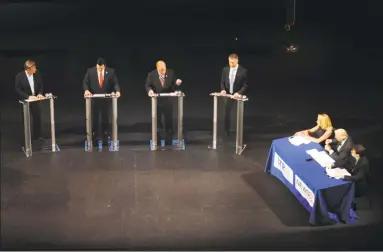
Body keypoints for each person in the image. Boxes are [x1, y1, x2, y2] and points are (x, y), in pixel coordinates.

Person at [83, 58, 120, 142]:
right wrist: (86, 90)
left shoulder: (111, 72)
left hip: (105, 98)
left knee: (105, 117)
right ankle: (94, 134)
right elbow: (85, 82)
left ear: (104, 66)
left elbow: (115, 83)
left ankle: (106, 134)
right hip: (94, 98)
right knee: (94, 117)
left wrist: (117, 91)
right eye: (98, 68)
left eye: (101, 68)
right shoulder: (90, 71)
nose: (100, 69)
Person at [145, 60, 182, 144]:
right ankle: (158, 133)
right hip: (157, 101)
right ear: (157, 68)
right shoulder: (151, 74)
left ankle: (169, 133)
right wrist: (150, 91)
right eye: (161, 70)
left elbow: (174, 83)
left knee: (168, 118)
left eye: (164, 69)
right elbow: (147, 85)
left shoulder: (170, 72)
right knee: (157, 118)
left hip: (167, 100)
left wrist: (177, 83)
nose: (163, 71)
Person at [15, 60, 45, 140]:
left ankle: (37, 135)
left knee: (37, 116)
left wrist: (40, 93)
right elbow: (18, 89)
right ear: (28, 69)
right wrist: (27, 96)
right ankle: (26, 136)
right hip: (25, 101)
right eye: (33, 68)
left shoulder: (37, 73)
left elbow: (41, 84)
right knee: (25, 119)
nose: (35, 69)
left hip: (35, 99)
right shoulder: (19, 76)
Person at [220, 53, 248, 136]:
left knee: (238, 114)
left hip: (238, 96)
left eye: (233, 62)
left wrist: (239, 93)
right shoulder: (225, 70)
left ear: (237, 61)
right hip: (228, 95)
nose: (231, 64)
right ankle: (226, 130)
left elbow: (245, 85)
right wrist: (223, 90)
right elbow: (222, 82)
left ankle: (239, 132)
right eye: (230, 62)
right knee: (226, 113)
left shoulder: (243, 71)